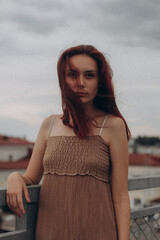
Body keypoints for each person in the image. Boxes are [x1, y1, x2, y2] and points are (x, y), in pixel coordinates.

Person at [6, 44, 131, 240]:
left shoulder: (114, 126)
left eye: (89, 75)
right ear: (63, 80)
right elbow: (31, 178)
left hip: (98, 233)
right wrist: (14, 177)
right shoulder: (49, 124)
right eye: (73, 75)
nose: (80, 83)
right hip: (50, 233)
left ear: (100, 81)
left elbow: (121, 197)